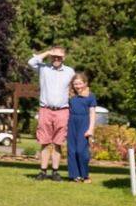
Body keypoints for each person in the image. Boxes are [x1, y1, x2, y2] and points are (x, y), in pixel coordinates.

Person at [27, 46, 75, 181]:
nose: (56, 59)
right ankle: (43, 171)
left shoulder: (70, 71)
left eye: (59, 57)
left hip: (62, 111)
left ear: (64, 58)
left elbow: (76, 87)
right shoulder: (44, 68)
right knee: (44, 142)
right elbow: (31, 62)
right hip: (46, 109)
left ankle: (55, 171)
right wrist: (47, 52)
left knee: (58, 143)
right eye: (54, 56)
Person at [67, 72, 97, 182]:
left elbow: (92, 113)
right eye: (75, 84)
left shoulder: (90, 96)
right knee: (72, 151)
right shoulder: (70, 95)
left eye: (80, 83)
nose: (78, 86)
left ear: (85, 83)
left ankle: (85, 175)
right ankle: (74, 176)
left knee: (81, 151)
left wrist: (91, 129)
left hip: (84, 123)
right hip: (71, 123)